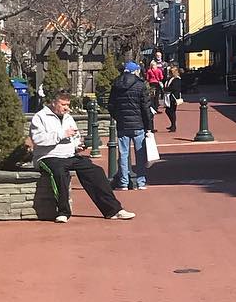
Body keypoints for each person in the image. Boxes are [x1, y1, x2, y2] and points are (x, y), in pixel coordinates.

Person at [30, 89, 135, 223]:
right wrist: (62, 134)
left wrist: (77, 146)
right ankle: (63, 212)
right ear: (53, 103)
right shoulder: (40, 117)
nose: (66, 108)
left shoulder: (68, 117)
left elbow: (74, 137)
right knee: (59, 173)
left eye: (68, 105)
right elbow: (37, 139)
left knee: (96, 171)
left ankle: (113, 210)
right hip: (48, 156)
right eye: (63, 105)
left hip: (69, 155)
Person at [108, 60, 154, 191]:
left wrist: (118, 118)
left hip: (123, 124)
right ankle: (141, 182)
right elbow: (145, 107)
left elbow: (111, 105)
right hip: (138, 124)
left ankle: (123, 182)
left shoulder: (116, 84)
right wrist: (148, 126)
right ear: (135, 71)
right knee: (140, 154)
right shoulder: (140, 85)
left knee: (123, 154)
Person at [162, 63, 183, 133]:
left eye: (171, 72)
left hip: (173, 97)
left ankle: (173, 126)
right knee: (168, 111)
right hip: (168, 96)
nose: (169, 73)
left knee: (172, 111)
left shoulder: (177, 79)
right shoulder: (169, 79)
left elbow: (174, 88)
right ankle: (172, 124)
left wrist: (166, 89)